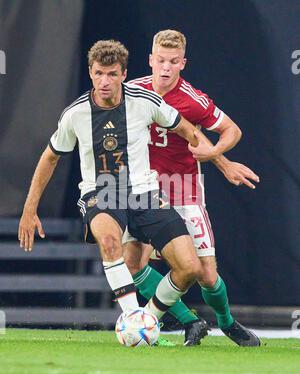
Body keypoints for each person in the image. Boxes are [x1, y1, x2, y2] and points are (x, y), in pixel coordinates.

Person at [18, 39, 238, 326]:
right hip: (102, 193)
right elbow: (50, 158)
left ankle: (148, 320)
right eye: (98, 73)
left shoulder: (145, 101)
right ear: (90, 72)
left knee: (190, 268)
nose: (104, 81)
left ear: (123, 74)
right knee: (111, 243)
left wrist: (219, 160)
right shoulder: (76, 114)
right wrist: (29, 208)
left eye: (111, 74)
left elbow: (187, 130)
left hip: (145, 192)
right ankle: (133, 317)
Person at [124, 30, 261, 347]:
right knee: (134, 264)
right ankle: (190, 322)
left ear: (182, 63)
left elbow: (230, 130)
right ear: (150, 60)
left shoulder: (192, 100)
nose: (165, 68)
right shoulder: (131, 92)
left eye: (173, 62)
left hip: (184, 189)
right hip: (146, 191)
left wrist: (217, 156)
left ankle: (227, 323)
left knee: (205, 274)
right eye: (160, 60)